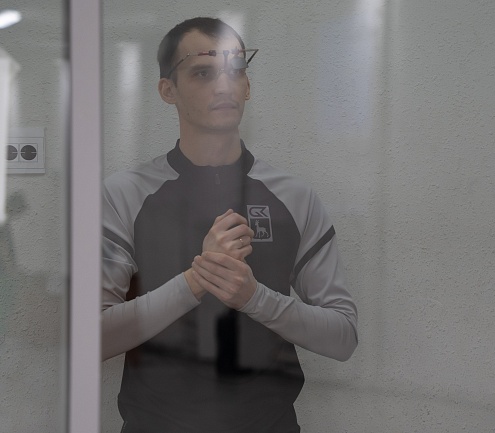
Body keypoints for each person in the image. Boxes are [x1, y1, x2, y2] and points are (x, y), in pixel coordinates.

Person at [101, 17, 358, 433]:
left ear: (248, 86)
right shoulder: (125, 195)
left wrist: (254, 297)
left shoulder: (294, 197)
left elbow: (342, 337)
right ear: (168, 90)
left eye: (235, 70)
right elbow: (90, 338)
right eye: (203, 73)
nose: (223, 86)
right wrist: (196, 281)